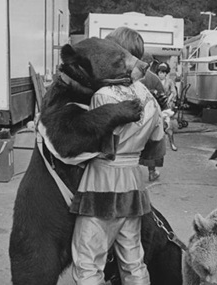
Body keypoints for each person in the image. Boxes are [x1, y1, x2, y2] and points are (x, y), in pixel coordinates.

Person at [70, 27, 164, 285]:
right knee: (133, 259)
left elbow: (94, 145)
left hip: (102, 182)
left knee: (88, 261)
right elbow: (156, 145)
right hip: (133, 183)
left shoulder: (103, 95)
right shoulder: (150, 99)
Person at [139, 52, 167, 181]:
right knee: (154, 144)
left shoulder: (132, 76)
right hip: (152, 117)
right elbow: (163, 98)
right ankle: (152, 172)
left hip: (135, 116)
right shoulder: (154, 79)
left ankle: (132, 172)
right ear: (150, 64)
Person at [156, 62, 178, 151]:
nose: (161, 74)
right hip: (157, 105)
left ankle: (172, 143)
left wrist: (169, 99)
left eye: (163, 73)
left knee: (168, 124)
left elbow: (173, 92)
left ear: (165, 73)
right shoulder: (156, 81)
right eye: (159, 72)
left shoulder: (169, 81)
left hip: (166, 105)